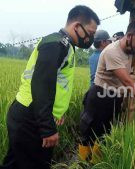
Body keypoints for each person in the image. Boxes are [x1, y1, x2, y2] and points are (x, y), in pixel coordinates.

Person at [0, 5, 99, 169]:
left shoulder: (66, 46)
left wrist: (56, 112)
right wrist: (47, 127)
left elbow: (58, 83)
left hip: (33, 115)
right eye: (90, 33)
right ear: (77, 26)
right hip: (30, 117)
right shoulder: (56, 44)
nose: (91, 38)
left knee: (15, 163)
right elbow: (42, 84)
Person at [78, 21, 135, 162]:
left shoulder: (131, 50)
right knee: (89, 135)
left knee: (104, 135)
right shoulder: (112, 51)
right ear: (129, 36)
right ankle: (82, 164)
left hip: (115, 99)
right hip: (100, 97)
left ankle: (97, 164)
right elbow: (128, 81)